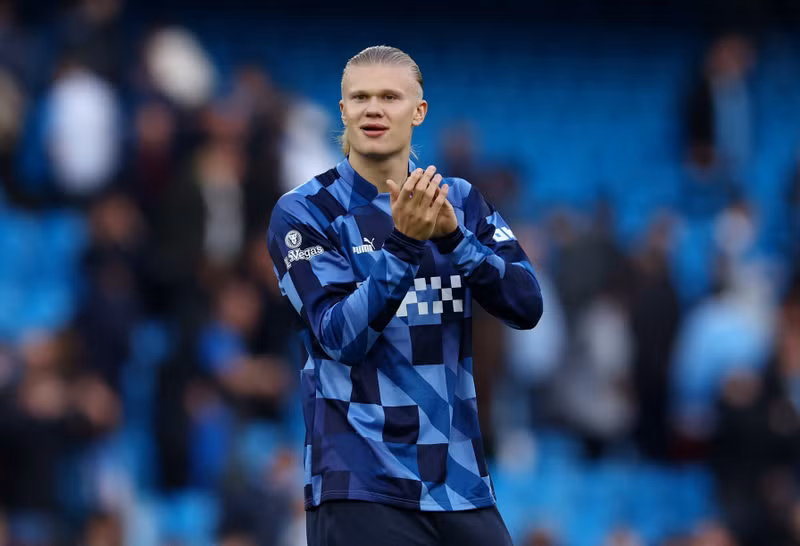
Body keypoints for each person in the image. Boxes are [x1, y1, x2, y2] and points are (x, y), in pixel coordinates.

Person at [266, 45, 543, 546]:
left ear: (419, 111)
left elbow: (527, 305)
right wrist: (405, 243)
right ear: (343, 110)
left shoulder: (459, 200)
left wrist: (457, 242)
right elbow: (339, 337)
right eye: (360, 97)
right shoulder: (305, 212)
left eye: (390, 96)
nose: (374, 108)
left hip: (460, 484)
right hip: (359, 482)